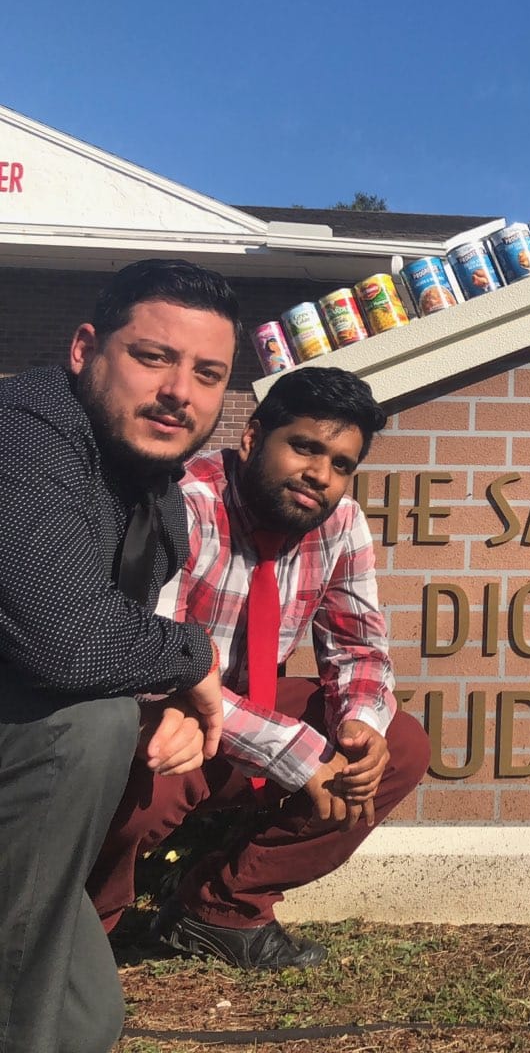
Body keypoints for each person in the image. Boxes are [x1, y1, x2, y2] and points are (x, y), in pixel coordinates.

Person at [88, 366, 429, 970]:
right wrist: (303, 756)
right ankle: (83, 926)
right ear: (252, 438)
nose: (321, 476)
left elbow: (360, 648)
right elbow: (151, 667)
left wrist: (360, 726)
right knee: (158, 752)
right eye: (305, 447)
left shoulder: (339, 521)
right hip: (162, 709)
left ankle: (221, 908)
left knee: (398, 745)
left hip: (248, 713)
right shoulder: (183, 504)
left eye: (342, 464)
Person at [1, 259, 236, 1053]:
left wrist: (165, 688)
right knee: (89, 727)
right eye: (153, 356)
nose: (181, 391)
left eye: (208, 373)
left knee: (85, 1019)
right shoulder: (21, 437)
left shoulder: (153, 492)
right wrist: (192, 658)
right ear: (83, 350)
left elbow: (94, 643)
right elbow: (68, 639)